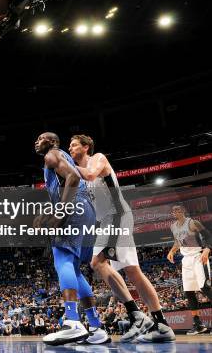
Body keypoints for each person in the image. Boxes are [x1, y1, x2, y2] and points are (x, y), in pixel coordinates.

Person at [70, 134, 175, 342]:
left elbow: (91, 175)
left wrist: (65, 165)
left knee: (97, 262)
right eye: (69, 147)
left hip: (117, 215)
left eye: (73, 145)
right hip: (108, 221)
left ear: (86, 147)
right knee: (132, 272)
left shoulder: (97, 159)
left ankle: (136, 315)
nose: (70, 149)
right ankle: (162, 325)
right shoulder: (81, 179)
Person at [33, 132, 109, 345]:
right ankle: (95, 327)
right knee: (75, 270)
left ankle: (72, 322)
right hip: (87, 212)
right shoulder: (63, 156)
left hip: (75, 210)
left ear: (51, 141)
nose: (36, 142)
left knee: (63, 260)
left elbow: (73, 178)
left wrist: (60, 212)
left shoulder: (52, 155)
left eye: (40, 138)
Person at [168, 203, 212, 335]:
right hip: (186, 260)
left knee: (204, 287)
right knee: (188, 292)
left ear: (183, 211)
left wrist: (207, 249)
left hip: (199, 257)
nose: (175, 212)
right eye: (173, 210)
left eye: (177, 210)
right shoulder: (173, 226)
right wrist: (172, 251)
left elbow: (209, 236)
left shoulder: (193, 223)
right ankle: (198, 325)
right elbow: (177, 241)